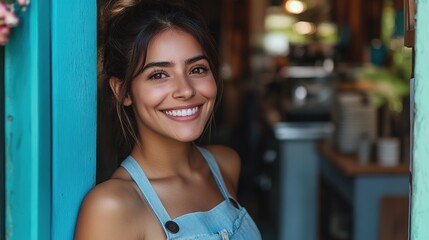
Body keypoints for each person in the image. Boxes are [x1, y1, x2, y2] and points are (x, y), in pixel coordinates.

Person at [74, 0, 262, 239]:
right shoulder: (112, 206)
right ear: (123, 91)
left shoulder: (225, 164)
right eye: (159, 74)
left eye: (197, 69)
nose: (185, 90)